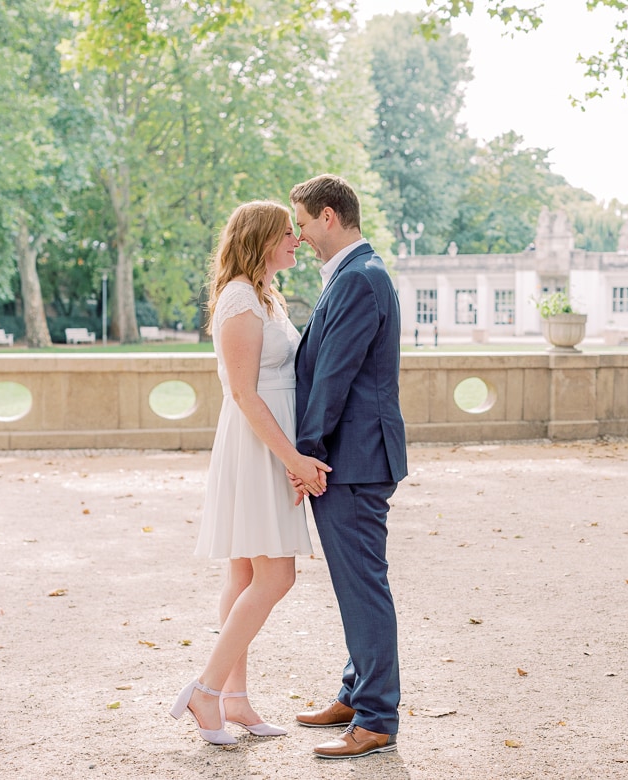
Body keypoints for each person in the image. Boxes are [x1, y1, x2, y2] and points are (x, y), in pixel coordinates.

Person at [170, 200, 331, 745]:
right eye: (288, 233)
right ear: (262, 239)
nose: (298, 240)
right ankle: (207, 690)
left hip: (268, 441)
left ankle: (234, 699)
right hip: (260, 445)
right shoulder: (240, 297)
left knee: (244, 575)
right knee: (276, 576)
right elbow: (242, 392)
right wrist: (294, 460)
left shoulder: (264, 295)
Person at [288, 174, 407, 759]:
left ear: (328, 217)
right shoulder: (355, 275)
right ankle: (358, 693)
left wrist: (306, 452)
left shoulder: (360, 279)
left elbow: (333, 376)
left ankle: (377, 717)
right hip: (354, 455)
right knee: (355, 583)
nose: (300, 235)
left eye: (304, 224)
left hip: (352, 460)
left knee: (363, 586)